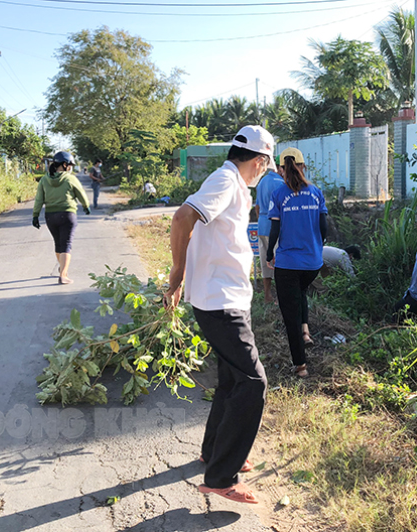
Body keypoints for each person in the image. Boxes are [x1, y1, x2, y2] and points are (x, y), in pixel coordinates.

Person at [163, 125, 275, 505]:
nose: (263, 170)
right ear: (259, 161)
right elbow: (182, 218)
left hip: (224, 299)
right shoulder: (226, 180)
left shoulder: (234, 186)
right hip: (220, 303)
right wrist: (176, 277)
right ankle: (220, 477)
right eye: (265, 164)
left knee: (231, 382)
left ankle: (214, 454)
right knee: (253, 384)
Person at [266, 147, 328, 378]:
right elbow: (323, 227)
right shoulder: (316, 193)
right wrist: (316, 248)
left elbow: (275, 228)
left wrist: (269, 254)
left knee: (289, 312)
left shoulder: (279, 194)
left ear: (282, 169)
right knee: (300, 291)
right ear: (303, 166)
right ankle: (305, 331)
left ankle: (300, 365)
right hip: (312, 264)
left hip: (288, 263)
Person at [32, 151, 90, 285]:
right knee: (66, 245)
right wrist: (86, 206)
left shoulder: (44, 180)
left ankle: (62, 268)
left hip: (50, 216)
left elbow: (39, 199)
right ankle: (63, 275)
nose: (70, 168)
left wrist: (35, 215)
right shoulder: (70, 179)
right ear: (64, 165)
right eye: (69, 165)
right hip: (67, 214)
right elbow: (80, 193)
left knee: (58, 244)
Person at [255, 157, 286, 303]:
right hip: (275, 226)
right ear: (278, 168)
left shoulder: (261, 182)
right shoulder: (280, 184)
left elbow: (257, 207)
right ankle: (281, 296)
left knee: (264, 260)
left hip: (261, 224)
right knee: (279, 261)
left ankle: (267, 295)